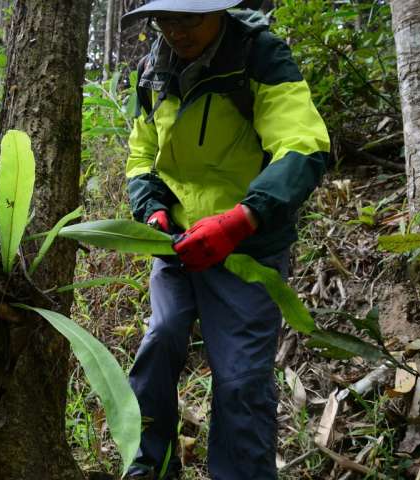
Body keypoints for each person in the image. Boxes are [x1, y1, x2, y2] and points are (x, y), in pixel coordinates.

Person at [120, 1, 330, 479]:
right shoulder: (153, 66)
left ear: (219, 13)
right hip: (175, 242)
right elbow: (142, 153)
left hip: (246, 245)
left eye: (189, 18)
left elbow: (302, 145)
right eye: (166, 19)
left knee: (240, 378)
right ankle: (148, 465)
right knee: (159, 341)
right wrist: (150, 206)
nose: (177, 31)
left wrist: (243, 218)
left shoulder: (258, 56)